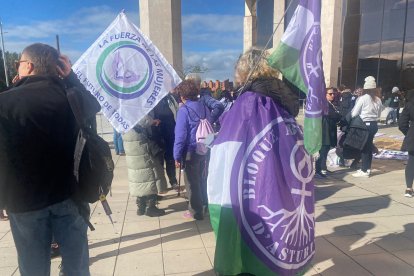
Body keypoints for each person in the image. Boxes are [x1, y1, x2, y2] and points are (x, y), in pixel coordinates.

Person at [207, 49, 314, 275]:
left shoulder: (249, 102)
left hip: (254, 187)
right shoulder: (281, 102)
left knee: (249, 245)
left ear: (243, 70)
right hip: (280, 181)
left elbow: (230, 149)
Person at [0, 43, 100, 276]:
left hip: (23, 200)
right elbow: (93, 104)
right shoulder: (71, 97)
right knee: (76, 266)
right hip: (71, 194)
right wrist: (71, 76)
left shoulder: (4, 103)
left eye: (18, 63)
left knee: (33, 267)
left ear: (29, 65)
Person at [173, 79, 212, 220]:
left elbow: (180, 136)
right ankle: (206, 206)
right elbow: (209, 129)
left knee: (191, 183)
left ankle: (196, 211)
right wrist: (206, 148)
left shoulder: (184, 111)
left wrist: (176, 156)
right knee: (203, 179)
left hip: (191, 151)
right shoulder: (204, 108)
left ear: (183, 95)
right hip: (204, 149)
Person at [122, 112, 167, 217]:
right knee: (150, 174)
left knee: (139, 177)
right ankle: (150, 207)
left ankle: (141, 206)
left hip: (131, 147)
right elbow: (142, 119)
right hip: (141, 146)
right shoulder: (131, 107)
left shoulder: (119, 111)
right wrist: (152, 121)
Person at [351, 76, 383, 177]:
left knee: (364, 147)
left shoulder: (363, 98)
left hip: (364, 125)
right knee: (368, 146)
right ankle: (367, 168)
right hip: (374, 125)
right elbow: (378, 114)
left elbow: (354, 113)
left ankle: (364, 170)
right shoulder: (378, 99)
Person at [153, 93, 180, 190]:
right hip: (157, 135)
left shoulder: (170, 98)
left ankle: (173, 181)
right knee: (158, 163)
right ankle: (160, 187)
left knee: (170, 160)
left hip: (171, 133)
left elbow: (176, 112)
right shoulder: (151, 99)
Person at [315, 88, 341, 177]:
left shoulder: (329, 104)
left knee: (325, 151)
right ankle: (320, 170)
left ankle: (323, 168)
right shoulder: (324, 104)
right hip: (324, 131)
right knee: (323, 150)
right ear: (325, 95)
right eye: (330, 94)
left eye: (334, 94)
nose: (333, 95)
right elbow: (333, 115)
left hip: (328, 130)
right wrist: (338, 115)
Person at [398, 89, 414, 197]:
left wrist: (408, 133)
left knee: (412, 161)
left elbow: (402, 123)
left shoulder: (409, 105)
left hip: (413, 134)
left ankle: (409, 188)